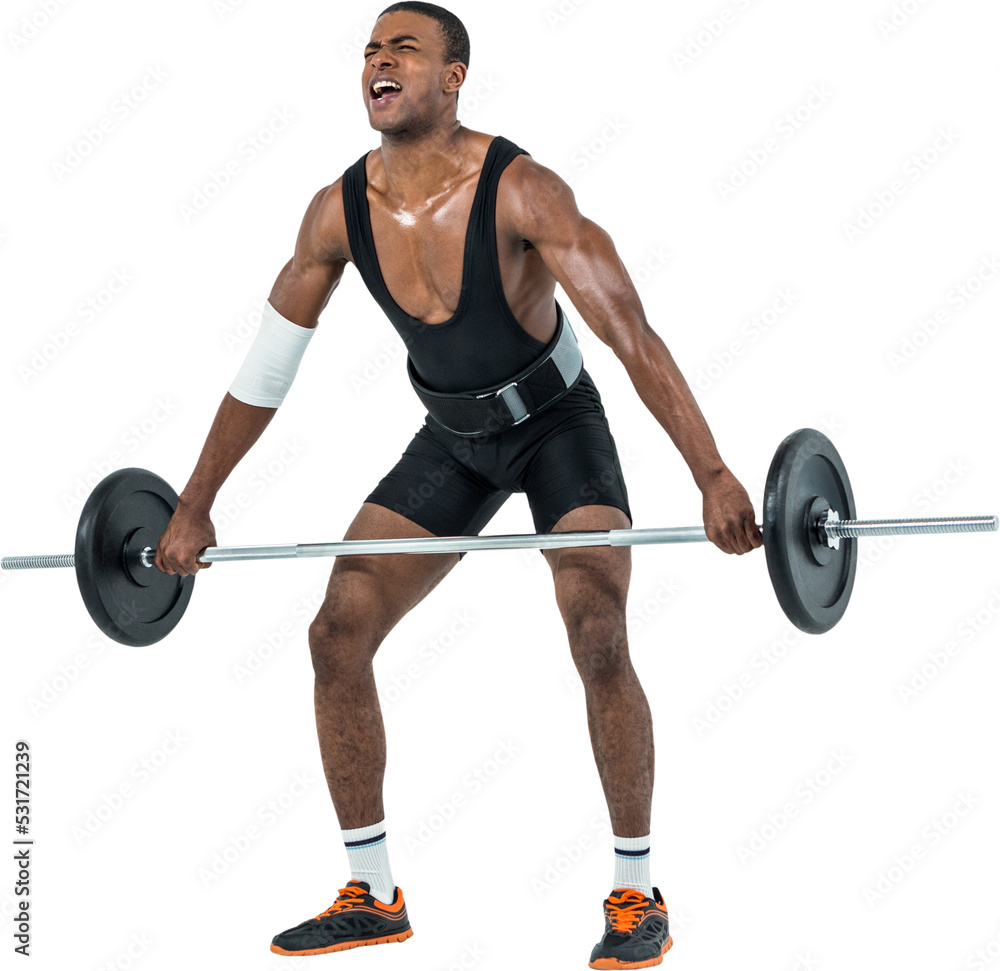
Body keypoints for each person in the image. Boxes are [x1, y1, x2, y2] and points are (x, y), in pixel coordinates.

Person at [155, 2, 762, 966]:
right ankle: (374, 892)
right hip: (454, 439)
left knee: (596, 627)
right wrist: (191, 504)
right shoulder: (336, 211)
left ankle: (636, 894)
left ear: (454, 76)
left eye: (403, 48)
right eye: (368, 51)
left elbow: (632, 335)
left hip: (560, 428)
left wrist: (715, 473)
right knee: (336, 627)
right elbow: (265, 371)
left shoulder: (524, 190)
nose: (378, 62)